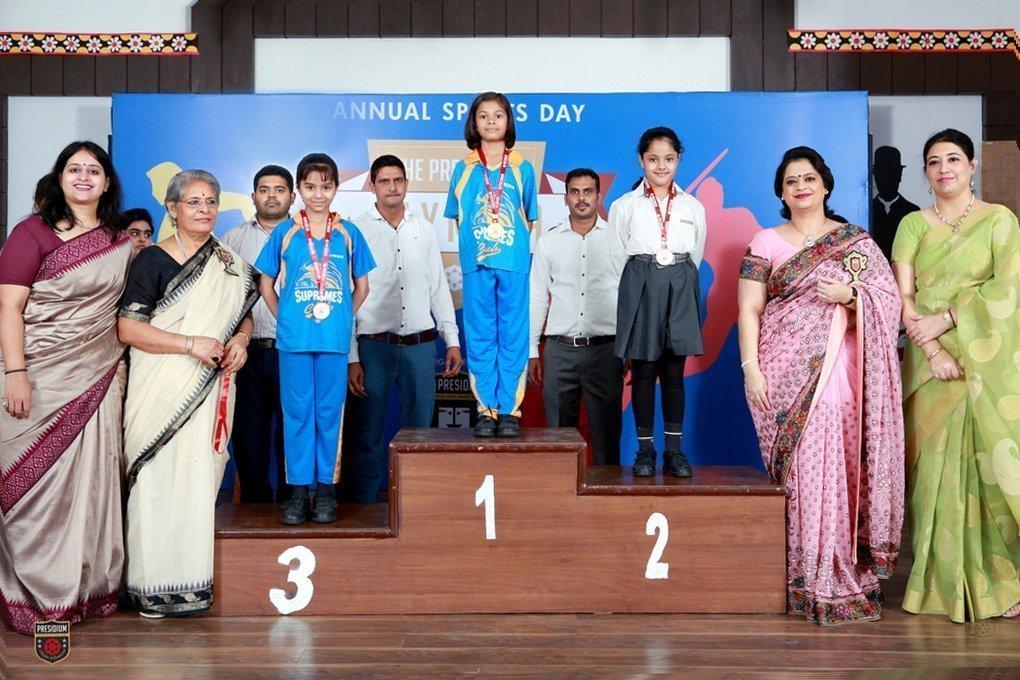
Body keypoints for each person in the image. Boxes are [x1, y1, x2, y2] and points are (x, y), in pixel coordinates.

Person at [738, 146, 904, 625]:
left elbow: (888, 300)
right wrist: (751, 366)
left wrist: (853, 295)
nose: (801, 187)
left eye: (808, 178)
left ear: (826, 185)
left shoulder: (855, 242)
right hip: (782, 371)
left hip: (843, 372)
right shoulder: (765, 241)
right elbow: (749, 309)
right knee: (803, 471)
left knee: (842, 465)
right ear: (781, 192)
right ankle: (804, 575)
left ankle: (838, 571)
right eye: (791, 181)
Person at [0, 141, 131, 635]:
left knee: (91, 484)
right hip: (38, 377)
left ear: (107, 182)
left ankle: (87, 588)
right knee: (30, 487)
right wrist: (16, 373)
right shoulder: (31, 232)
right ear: (59, 178)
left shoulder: (119, 239)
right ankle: (34, 594)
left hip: (98, 377)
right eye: (73, 169)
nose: (82, 177)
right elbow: (9, 308)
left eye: (92, 170)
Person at [891, 129, 1020, 623]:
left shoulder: (999, 221)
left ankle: (999, 580)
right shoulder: (911, 225)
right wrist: (931, 347)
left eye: (952, 159)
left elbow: (1008, 290)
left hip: (983, 361)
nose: (943, 168)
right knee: (933, 475)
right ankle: (941, 581)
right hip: (929, 365)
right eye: (932, 162)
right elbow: (902, 298)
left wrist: (949, 321)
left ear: (971, 166)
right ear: (925, 174)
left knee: (985, 466)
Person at [118, 169, 258, 618]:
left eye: (211, 201)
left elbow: (244, 314)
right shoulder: (152, 260)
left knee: (198, 484)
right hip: (161, 388)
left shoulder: (229, 264)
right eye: (194, 202)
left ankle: (191, 586)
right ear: (173, 209)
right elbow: (128, 328)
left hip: (210, 387)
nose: (204, 210)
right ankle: (148, 588)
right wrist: (189, 344)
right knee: (156, 482)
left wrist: (240, 341)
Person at [255, 153, 375, 525]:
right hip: (293, 341)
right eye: (310, 187)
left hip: (334, 341)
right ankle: (298, 493)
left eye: (326, 186)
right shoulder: (286, 231)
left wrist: (341, 318)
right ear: (299, 190)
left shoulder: (348, 233)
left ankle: (325, 492)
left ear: (336, 188)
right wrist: (287, 318)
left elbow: (363, 286)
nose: (318, 194)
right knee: (297, 415)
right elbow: (265, 283)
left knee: (328, 415)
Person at [348, 155, 461, 502]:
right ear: (372, 186)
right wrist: (352, 357)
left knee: (421, 433)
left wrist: (452, 340)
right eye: (384, 181)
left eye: (398, 180)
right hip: (373, 347)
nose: (392, 187)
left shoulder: (423, 229)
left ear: (406, 184)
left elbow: (438, 287)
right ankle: (365, 507)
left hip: (420, 346)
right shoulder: (355, 230)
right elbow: (347, 294)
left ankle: (417, 504)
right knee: (367, 433)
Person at [608, 127, 704, 478]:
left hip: (679, 283)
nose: (661, 166)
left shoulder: (693, 206)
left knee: (674, 373)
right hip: (641, 283)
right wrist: (644, 282)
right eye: (653, 159)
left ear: (679, 159)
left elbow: (696, 253)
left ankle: (674, 452)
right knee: (644, 372)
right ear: (641, 161)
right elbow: (619, 257)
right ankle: (645, 450)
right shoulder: (624, 206)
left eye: (668, 158)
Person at [444, 91, 539, 438]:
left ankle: (510, 411)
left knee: (512, 337)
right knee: (481, 337)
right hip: (477, 264)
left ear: (508, 121)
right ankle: (487, 410)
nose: (491, 122)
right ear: (474, 123)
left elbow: (529, 218)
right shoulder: (463, 170)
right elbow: (459, 220)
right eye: (483, 116)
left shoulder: (523, 168)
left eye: (498, 115)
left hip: (513, 264)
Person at [529, 168, 622, 465]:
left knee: (607, 436)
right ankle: (559, 505)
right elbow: (537, 296)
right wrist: (532, 349)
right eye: (575, 192)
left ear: (599, 196)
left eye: (588, 192)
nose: (581, 199)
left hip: (606, 349)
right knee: (558, 436)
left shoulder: (618, 240)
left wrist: (630, 345)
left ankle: (608, 505)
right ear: (565, 197)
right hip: (559, 350)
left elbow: (629, 297)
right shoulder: (548, 241)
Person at [221, 165, 295, 503]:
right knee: (249, 435)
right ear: (253, 196)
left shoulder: (306, 237)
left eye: (279, 189)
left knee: (292, 432)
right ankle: (254, 508)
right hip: (247, 350)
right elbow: (221, 294)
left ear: (292, 196)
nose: (271, 195)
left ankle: (293, 501)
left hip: (293, 350)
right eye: (264, 189)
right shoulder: (234, 238)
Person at [871, 146, 920, 260]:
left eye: (891, 174)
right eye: (882, 174)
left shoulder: (913, 212)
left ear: (900, 176)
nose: (886, 180)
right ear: (875, 176)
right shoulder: (867, 212)